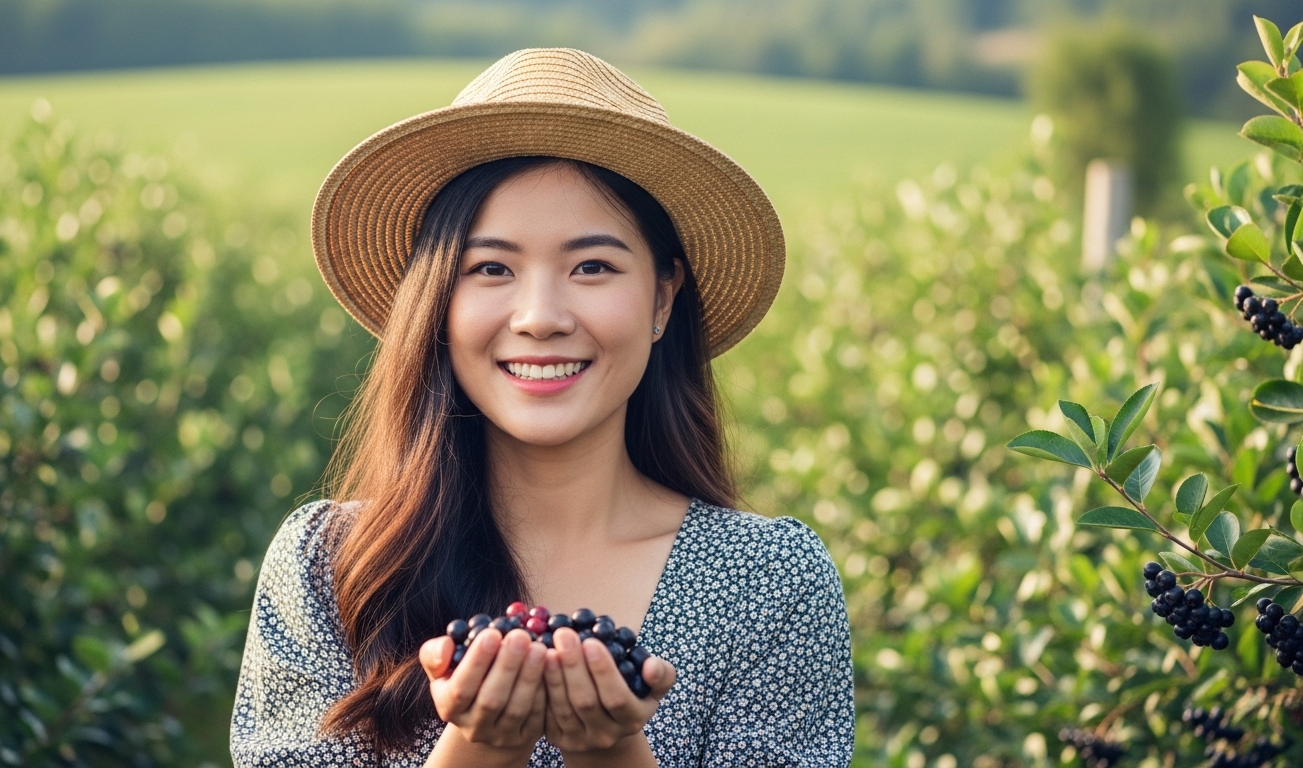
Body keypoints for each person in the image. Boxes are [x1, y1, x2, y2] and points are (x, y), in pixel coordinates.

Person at [230, 48, 854, 767]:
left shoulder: (771, 583)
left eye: (592, 266)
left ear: (662, 297)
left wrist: (612, 753)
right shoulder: (334, 568)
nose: (540, 316)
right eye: (491, 267)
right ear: (438, 300)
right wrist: (480, 748)